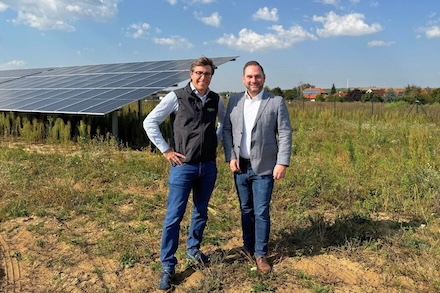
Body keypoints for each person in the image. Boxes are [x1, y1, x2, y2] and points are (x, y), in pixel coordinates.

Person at [143, 56, 225, 291]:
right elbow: (150, 122)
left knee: (201, 212)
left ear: (211, 76)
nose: (202, 77)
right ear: (191, 74)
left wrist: (214, 143)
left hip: (207, 167)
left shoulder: (215, 99)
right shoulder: (177, 97)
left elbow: (223, 124)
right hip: (183, 167)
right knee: (174, 216)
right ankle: (168, 265)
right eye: (199, 73)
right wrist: (166, 150)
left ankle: (193, 250)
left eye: (207, 73)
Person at [223, 60, 292, 274]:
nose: (254, 80)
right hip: (240, 167)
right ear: (243, 79)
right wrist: (230, 156)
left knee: (261, 211)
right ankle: (248, 247)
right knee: (246, 209)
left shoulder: (276, 101)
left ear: (264, 78)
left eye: (258, 76)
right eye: (250, 77)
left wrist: (282, 162)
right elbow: (226, 130)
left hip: (264, 167)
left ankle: (261, 254)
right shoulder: (234, 100)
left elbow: (285, 132)